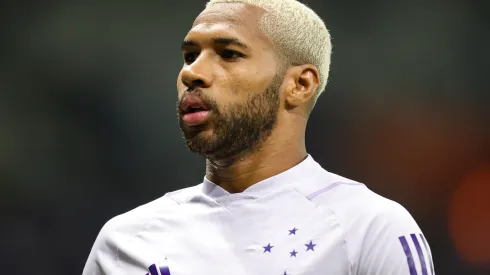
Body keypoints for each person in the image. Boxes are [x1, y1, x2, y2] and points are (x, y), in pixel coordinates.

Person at [82, 0, 435, 274]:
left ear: (300, 84)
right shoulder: (125, 242)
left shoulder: (369, 230)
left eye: (229, 54)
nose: (192, 72)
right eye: (190, 55)